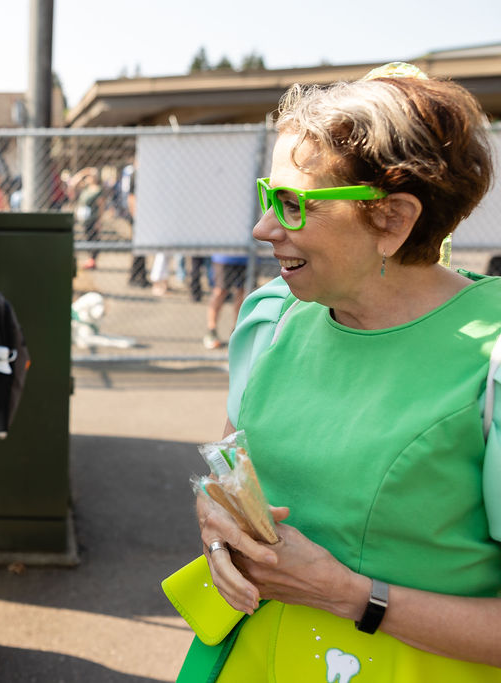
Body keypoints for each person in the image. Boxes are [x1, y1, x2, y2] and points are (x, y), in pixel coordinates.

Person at [185, 65, 501, 680]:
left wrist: (350, 595)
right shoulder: (271, 316)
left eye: (294, 204)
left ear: (393, 219)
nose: (263, 227)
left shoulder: (492, 363)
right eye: (267, 195)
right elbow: (233, 473)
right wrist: (220, 526)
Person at [201, 253, 248, 349]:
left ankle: (236, 331)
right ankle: (211, 330)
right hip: (224, 256)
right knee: (220, 291)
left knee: (241, 293)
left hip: (246, 256)